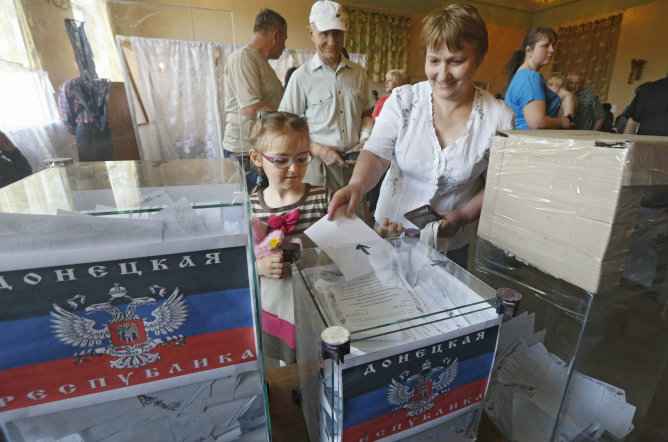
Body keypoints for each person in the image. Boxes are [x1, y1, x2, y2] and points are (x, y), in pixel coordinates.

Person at [328, 4, 514, 268]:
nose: (442, 74)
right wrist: (357, 184)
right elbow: (377, 153)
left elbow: (498, 184)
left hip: (450, 242)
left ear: (479, 58)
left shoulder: (499, 118)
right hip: (390, 230)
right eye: (434, 60)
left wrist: (461, 215)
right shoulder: (404, 101)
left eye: (456, 61)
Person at [249, 112, 329, 363]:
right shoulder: (250, 207)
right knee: (285, 363)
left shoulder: (322, 197)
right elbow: (240, 262)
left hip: (319, 298)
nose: (294, 169)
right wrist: (258, 267)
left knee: (321, 357)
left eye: (302, 159)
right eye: (281, 160)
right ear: (256, 158)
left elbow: (346, 246)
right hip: (276, 304)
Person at [279, 0, 372, 193]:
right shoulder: (301, 77)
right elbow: (286, 128)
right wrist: (319, 150)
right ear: (311, 33)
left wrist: (365, 138)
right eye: (324, 34)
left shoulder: (359, 73)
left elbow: (366, 113)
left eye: (337, 34)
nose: (332, 41)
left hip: (355, 165)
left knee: (355, 218)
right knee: (322, 220)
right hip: (318, 167)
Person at [223, 9, 287, 190]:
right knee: (249, 206)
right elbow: (250, 108)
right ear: (276, 35)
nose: (284, 46)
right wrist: (288, 121)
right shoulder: (244, 58)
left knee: (263, 204)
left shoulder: (260, 61)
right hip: (243, 151)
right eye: (285, 39)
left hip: (258, 147)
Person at [504, 28, 572, 130]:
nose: (552, 50)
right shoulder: (530, 77)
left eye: (553, 45)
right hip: (529, 142)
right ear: (529, 50)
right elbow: (537, 123)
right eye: (545, 46)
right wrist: (562, 122)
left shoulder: (522, 75)